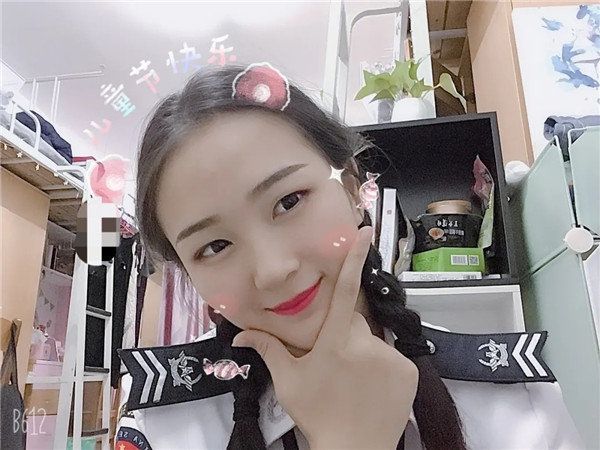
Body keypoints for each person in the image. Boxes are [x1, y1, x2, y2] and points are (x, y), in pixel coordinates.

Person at [115, 63, 584, 450]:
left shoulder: (517, 407)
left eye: (289, 202)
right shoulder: (162, 431)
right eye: (214, 247)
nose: (274, 269)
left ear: (354, 189)